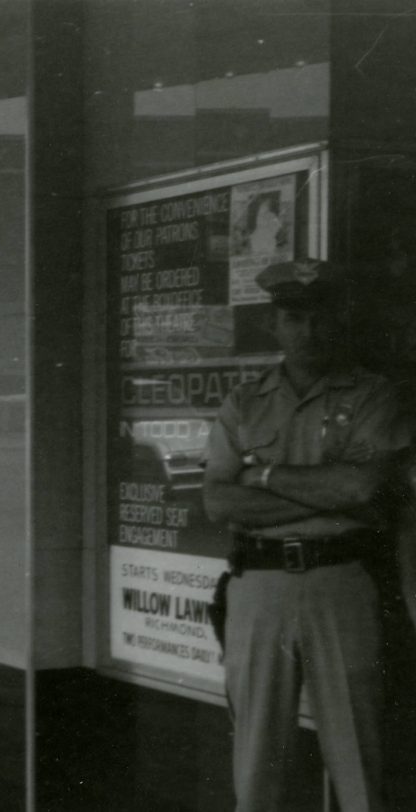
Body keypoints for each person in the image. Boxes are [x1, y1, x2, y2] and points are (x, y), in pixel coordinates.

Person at [203, 260, 405, 812]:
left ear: (338, 321)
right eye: (295, 318)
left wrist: (262, 475)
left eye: (319, 318)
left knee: (358, 757)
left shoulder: (371, 396)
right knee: (256, 761)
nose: (308, 332)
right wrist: (320, 488)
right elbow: (219, 500)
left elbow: (361, 489)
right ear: (276, 325)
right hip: (258, 588)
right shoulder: (244, 403)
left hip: (339, 583)